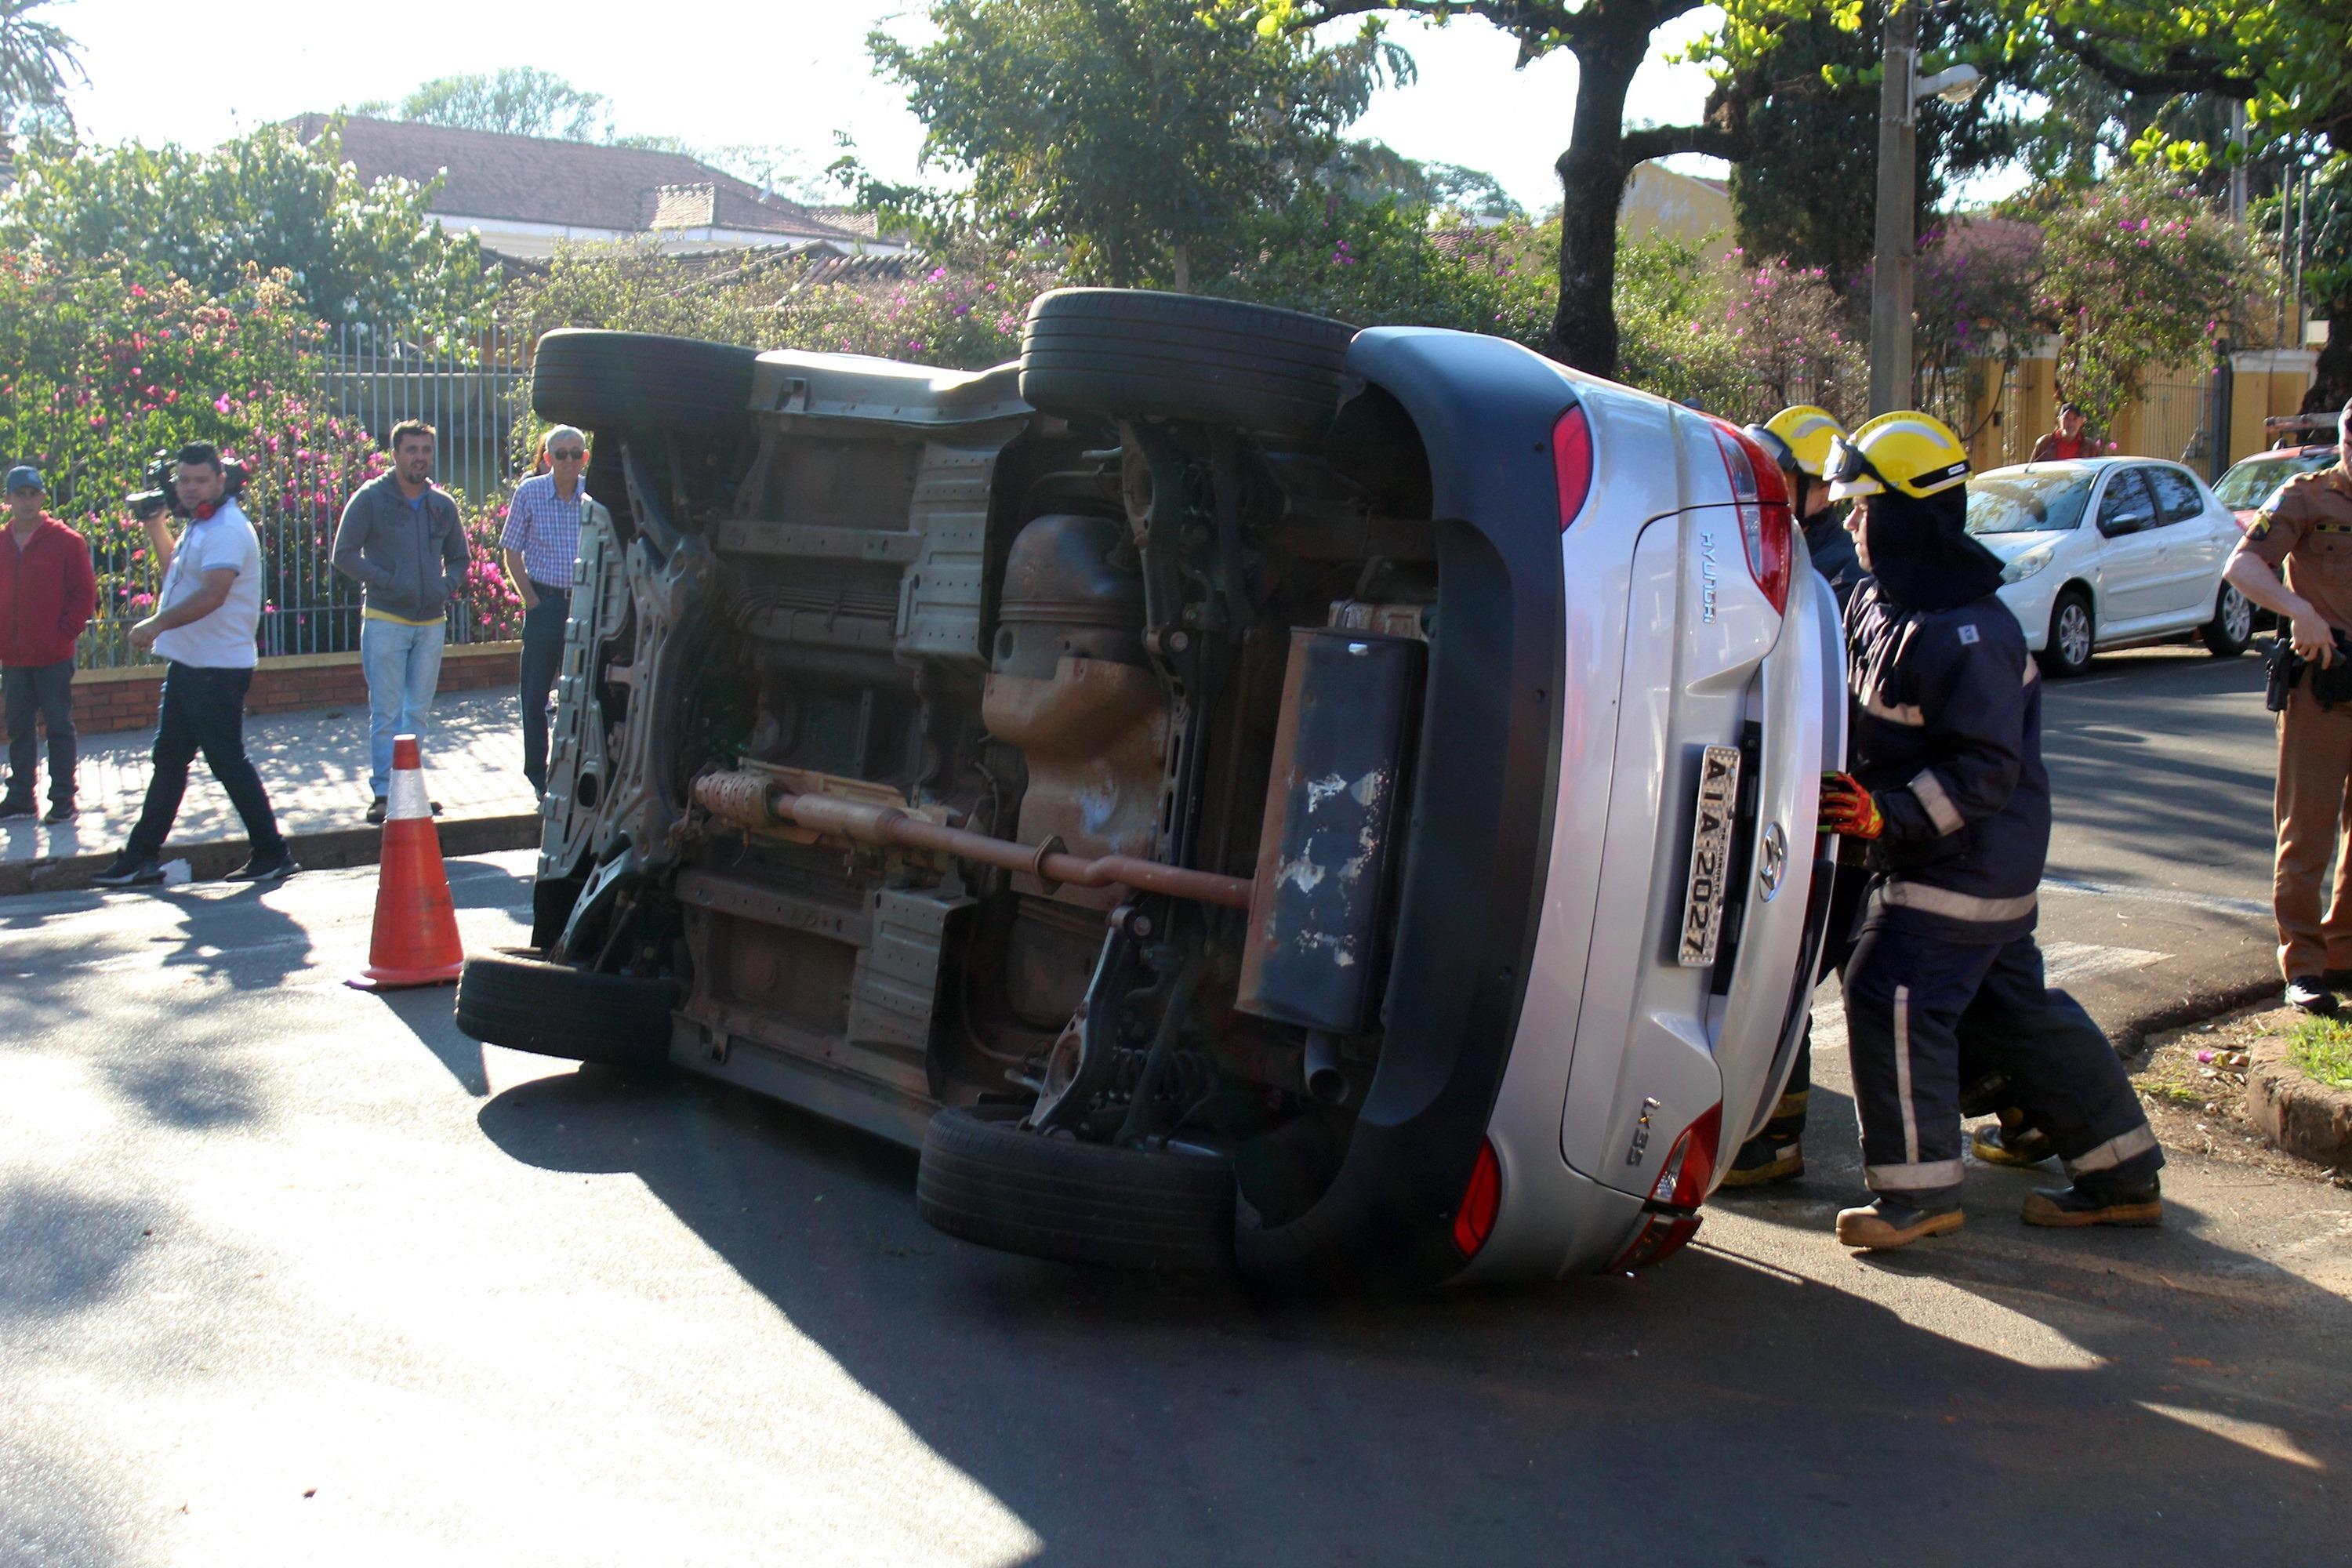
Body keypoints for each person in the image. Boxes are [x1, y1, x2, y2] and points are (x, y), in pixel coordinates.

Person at [1815, 411, 2164, 1250]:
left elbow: (1982, 773)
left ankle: (1917, 1194)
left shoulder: (1973, 634)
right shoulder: (1878, 601)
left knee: (1887, 985)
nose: (1853, 525)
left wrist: (1881, 815)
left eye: (1865, 509)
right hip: (1954, 856)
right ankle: (2121, 1170)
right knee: (2012, 1008)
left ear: (1909, 514)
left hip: (1966, 860)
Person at [1722, 406, 1856, 1185]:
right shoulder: (1801, 554)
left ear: (1814, 487)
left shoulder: (1832, 571)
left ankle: (1773, 1135)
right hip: (1784, 778)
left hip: (1810, 791)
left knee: (1780, 960)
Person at [92, 444, 294, 887]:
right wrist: (155, 526)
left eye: (200, 480)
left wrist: (155, 624)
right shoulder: (201, 525)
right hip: (190, 663)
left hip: (216, 668)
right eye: (183, 480)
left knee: (225, 760)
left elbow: (213, 593)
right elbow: (178, 578)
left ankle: (272, 851)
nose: (189, 488)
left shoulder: (226, 528)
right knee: (171, 759)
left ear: (221, 480)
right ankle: (142, 856)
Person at [2220, 397, 2352, 1014]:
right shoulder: (2306, 496)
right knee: (2308, 830)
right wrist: (2299, 611)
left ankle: (2344, 952)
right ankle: (2303, 964)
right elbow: (2242, 566)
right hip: (2324, 682)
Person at [332, 419, 469, 824]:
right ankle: (383, 792)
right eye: (411, 450)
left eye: (426, 450)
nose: (420, 458)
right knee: (388, 712)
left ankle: (410, 790)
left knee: (418, 712)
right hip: (385, 619)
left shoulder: (442, 504)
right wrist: (388, 581)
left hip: (431, 622)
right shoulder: (371, 499)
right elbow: (344, 553)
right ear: (395, 455)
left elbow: (460, 558)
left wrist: (446, 586)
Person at [499, 426, 607, 800]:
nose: (568, 461)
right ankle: (537, 774)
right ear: (546, 457)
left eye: (575, 453)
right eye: (560, 453)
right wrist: (532, 601)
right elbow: (511, 551)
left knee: (582, 692)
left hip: (584, 604)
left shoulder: (592, 499)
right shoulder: (529, 493)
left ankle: (576, 770)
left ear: (584, 458)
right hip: (545, 602)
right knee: (535, 693)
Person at [0, 467, 97, 824]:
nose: (27, 500)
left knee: (59, 726)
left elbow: (84, 595)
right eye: (19, 493)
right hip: (12, 656)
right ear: (8, 499)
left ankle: (63, 799)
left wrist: (64, 634)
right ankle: (22, 797)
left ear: (43, 497)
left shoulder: (67, 542)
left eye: (33, 493)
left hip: (54, 654)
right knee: (18, 729)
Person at [2029, 402, 2101, 463]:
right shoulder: (2044, 443)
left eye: (2075, 419)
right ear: (2058, 420)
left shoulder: (2090, 448)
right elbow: (2031, 472)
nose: (2071, 423)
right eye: (2066, 418)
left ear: (2082, 421)